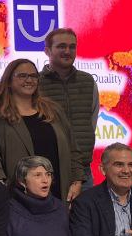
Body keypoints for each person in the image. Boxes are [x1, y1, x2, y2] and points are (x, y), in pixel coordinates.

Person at [0, 58, 84, 201]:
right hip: (18, 197)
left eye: (33, 76)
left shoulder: (53, 110)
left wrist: (77, 181)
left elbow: (73, 149)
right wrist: (1, 184)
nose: (29, 80)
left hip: (59, 194)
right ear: (9, 81)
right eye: (22, 76)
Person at [38, 28, 100, 187]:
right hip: (46, 170)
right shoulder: (35, 83)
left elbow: (91, 122)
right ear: (47, 51)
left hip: (83, 171)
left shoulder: (88, 81)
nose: (67, 51)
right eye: (61, 46)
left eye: (72, 47)